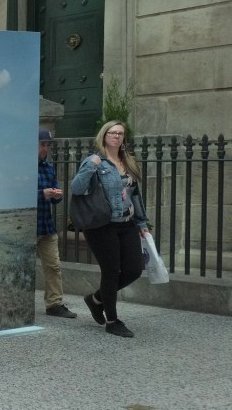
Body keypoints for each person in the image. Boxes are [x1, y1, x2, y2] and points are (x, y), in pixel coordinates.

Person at [70, 121, 149, 338]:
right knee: (112, 271)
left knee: (134, 268)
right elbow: (77, 188)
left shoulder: (127, 162)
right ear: (104, 136)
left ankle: (95, 300)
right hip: (102, 225)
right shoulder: (94, 161)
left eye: (120, 133)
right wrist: (90, 166)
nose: (116, 136)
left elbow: (135, 195)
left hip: (128, 224)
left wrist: (142, 223)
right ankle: (112, 321)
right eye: (112, 133)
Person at [37, 129, 77, 318]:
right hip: (28, 226)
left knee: (53, 266)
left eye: (47, 145)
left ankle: (54, 304)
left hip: (46, 225)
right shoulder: (20, 168)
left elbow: (54, 194)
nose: (46, 148)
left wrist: (56, 195)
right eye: (42, 144)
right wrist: (42, 194)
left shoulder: (48, 168)